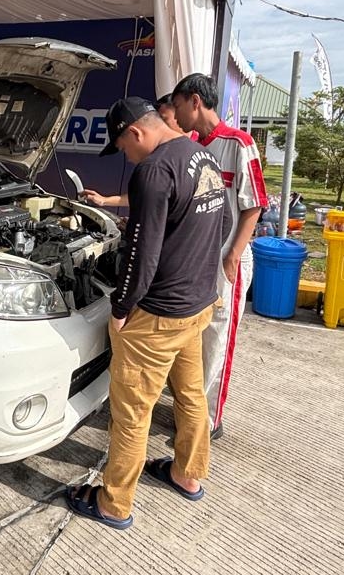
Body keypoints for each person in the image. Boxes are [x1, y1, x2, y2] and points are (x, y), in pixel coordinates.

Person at [64, 97, 232, 530]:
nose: (126, 155)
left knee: (132, 413)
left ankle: (112, 504)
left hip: (156, 317)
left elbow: (141, 256)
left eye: (122, 147)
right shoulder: (201, 156)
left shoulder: (153, 170)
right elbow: (225, 222)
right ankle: (187, 475)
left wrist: (121, 309)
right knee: (191, 397)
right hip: (196, 305)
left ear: (134, 132)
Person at [169, 73, 268, 439]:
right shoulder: (191, 146)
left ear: (195, 101)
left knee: (217, 338)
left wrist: (233, 256)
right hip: (197, 259)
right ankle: (188, 411)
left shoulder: (239, 144)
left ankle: (208, 421)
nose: (175, 115)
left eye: (178, 106)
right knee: (193, 338)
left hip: (227, 261)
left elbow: (255, 204)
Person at [80, 94, 189, 209]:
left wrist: (136, 224)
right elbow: (148, 195)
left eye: (124, 149)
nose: (128, 158)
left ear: (136, 133)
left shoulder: (155, 168)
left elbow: (150, 223)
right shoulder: (195, 152)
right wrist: (105, 201)